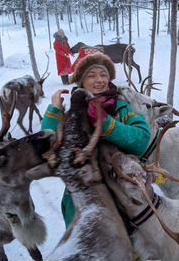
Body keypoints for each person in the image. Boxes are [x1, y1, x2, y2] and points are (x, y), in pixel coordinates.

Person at [41, 53, 151, 228]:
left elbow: (142, 140)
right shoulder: (72, 115)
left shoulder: (121, 107)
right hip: (81, 198)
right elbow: (46, 148)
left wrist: (107, 124)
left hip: (122, 194)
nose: (99, 80)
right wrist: (55, 110)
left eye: (104, 75)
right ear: (81, 82)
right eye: (91, 76)